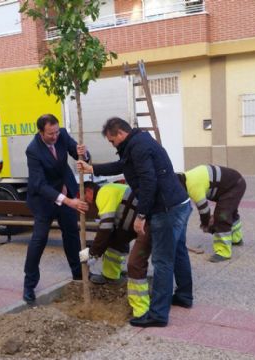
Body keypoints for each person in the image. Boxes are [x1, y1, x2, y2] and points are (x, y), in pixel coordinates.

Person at [78, 117, 192, 328]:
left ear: (120, 133)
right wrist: (92, 169)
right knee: (178, 251)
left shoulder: (138, 147)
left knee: (162, 261)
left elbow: (149, 182)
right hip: (180, 203)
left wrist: (141, 216)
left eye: (112, 141)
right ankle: (184, 295)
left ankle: (158, 314)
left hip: (166, 209)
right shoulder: (139, 143)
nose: (113, 145)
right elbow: (121, 165)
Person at [23, 114, 89, 303]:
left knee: (71, 235)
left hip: (65, 189)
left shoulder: (62, 135)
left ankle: (79, 275)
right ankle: (29, 285)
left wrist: (83, 153)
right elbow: (39, 185)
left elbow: (79, 155)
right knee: (39, 240)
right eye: (50, 134)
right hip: (44, 200)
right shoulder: (33, 150)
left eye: (56, 132)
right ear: (41, 132)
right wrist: (68, 201)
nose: (55, 136)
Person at [78, 182, 152, 319]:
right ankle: (111, 276)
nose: (84, 201)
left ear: (89, 191)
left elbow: (105, 227)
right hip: (131, 221)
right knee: (114, 242)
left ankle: (142, 310)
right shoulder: (109, 190)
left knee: (136, 263)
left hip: (144, 221)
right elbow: (110, 228)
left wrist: (93, 253)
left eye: (82, 196)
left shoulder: (103, 193)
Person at [179, 165, 246, 263]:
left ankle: (223, 252)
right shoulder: (186, 177)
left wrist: (206, 225)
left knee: (222, 217)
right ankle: (236, 239)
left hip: (234, 186)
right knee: (230, 212)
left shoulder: (193, 187)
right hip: (233, 183)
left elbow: (204, 211)